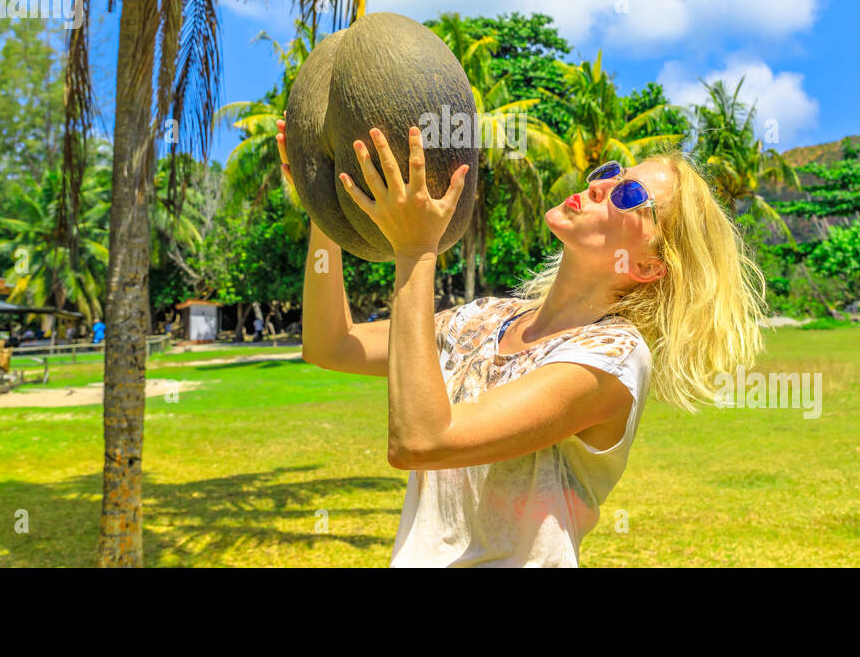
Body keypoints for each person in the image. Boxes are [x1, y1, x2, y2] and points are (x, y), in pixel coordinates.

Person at [277, 115, 767, 568]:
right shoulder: (485, 318)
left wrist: (415, 250)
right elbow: (332, 344)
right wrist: (326, 210)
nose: (598, 186)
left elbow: (422, 441)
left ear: (646, 266)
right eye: (610, 172)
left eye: (629, 193)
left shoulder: (612, 359)